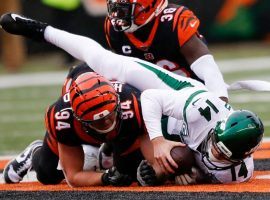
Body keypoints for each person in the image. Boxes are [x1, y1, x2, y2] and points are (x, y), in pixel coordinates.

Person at [0, 13, 265, 184]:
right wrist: (159, 141)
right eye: (216, 145)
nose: (213, 151)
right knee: (105, 61)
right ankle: (42, 30)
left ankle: (103, 155)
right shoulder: (198, 111)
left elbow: (198, 165)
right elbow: (150, 99)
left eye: (221, 154)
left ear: (242, 157)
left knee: (156, 166)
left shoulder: (237, 173)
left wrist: (191, 174)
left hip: (171, 117)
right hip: (170, 95)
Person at [3, 62, 145, 187]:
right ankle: (35, 151)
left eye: (110, 115)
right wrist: (105, 178)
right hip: (82, 106)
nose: (106, 122)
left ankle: (106, 152)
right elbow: (73, 177)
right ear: (78, 118)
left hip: (122, 118)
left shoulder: (133, 102)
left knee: (129, 171)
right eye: (98, 121)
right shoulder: (63, 118)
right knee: (47, 173)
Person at [105, 0, 228, 103]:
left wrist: (220, 102)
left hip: (194, 97)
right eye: (116, 9)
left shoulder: (173, 20)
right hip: (153, 102)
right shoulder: (113, 30)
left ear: (148, 6)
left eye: (124, 10)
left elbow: (207, 66)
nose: (117, 16)